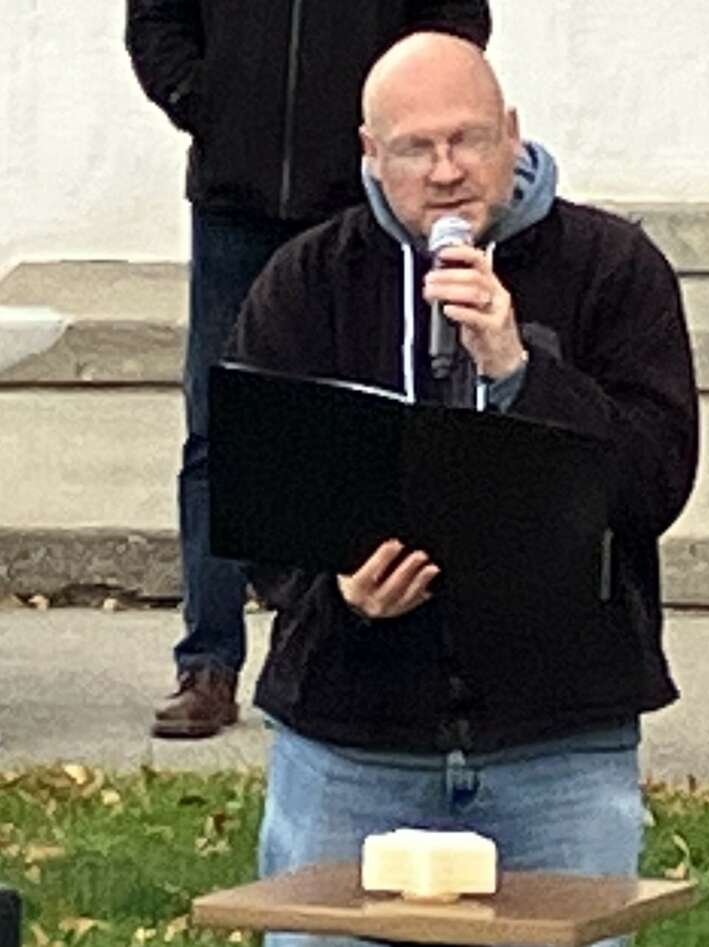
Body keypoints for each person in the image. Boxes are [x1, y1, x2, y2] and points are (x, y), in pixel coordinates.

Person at [228, 32, 699, 947]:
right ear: (370, 154)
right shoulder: (309, 282)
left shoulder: (612, 269)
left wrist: (523, 370)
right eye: (415, 148)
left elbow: (657, 479)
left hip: (555, 737)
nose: (447, 171)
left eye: (469, 140)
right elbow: (247, 487)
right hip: (352, 738)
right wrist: (333, 588)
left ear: (513, 134)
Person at [124, 0, 493, 739]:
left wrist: (387, 122)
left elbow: (456, 22)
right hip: (235, 202)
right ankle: (208, 661)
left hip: (355, 199)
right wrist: (212, 105)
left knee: (364, 425)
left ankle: (349, 640)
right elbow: (155, 19)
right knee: (220, 431)